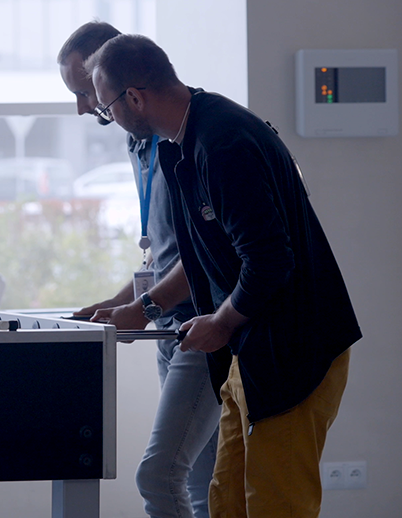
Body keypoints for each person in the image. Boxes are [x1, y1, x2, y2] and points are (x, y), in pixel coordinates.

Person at [84, 33, 361, 518]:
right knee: (226, 499)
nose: (105, 118)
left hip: (295, 351)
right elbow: (198, 260)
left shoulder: (224, 141)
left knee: (275, 504)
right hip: (248, 352)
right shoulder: (180, 147)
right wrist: (143, 309)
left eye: (105, 108)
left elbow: (271, 260)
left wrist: (221, 322)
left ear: (134, 96)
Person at [59, 21, 220, 518]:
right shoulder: (139, 143)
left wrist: (143, 306)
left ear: (119, 82)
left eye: (88, 92)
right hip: (170, 329)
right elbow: (168, 252)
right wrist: (120, 301)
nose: (86, 108)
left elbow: (210, 254)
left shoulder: (183, 137)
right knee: (201, 483)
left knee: (159, 476)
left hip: (208, 326)